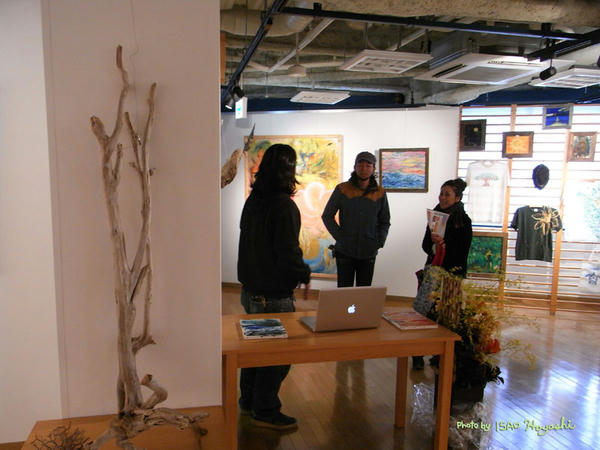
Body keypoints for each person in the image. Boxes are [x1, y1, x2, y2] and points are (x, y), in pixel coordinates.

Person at [237, 144, 311, 429]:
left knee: (257, 351)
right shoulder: (283, 206)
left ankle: (248, 401)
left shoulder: (253, 201)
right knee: (277, 356)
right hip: (273, 295)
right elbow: (287, 251)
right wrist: (303, 273)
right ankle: (265, 409)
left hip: (250, 291)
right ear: (289, 170)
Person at [413, 178, 472, 370]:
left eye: (447, 194)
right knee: (425, 312)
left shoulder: (464, 221)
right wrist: (433, 243)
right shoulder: (435, 217)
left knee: (448, 316)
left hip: (452, 274)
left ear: (457, 198)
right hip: (433, 270)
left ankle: (441, 355)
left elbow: (463, 251)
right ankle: (417, 353)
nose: (443, 197)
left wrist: (444, 244)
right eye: (441, 193)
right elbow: (424, 245)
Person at [321, 151, 391, 287]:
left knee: (363, 292)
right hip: (345, 251)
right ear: (355, 167)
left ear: (374, 169)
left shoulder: (380, 192)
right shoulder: (342, 189)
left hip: (368, 251)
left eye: (368, 165)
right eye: (360, 165)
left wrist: (379, 241)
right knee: (344, 291)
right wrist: (340, 237)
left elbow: (384, 221)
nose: (364, 169)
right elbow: (327, 216)